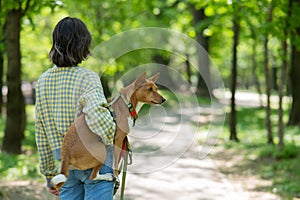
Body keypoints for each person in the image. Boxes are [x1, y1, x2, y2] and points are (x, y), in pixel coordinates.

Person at [35, 17, 116, 199]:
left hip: (66, 164)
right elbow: (98, 117)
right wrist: (112, 136)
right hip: (95, 158)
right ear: (83, 45)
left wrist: (49, 175)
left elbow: (40, 130)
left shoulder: (43, 81)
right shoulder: (88, 78)